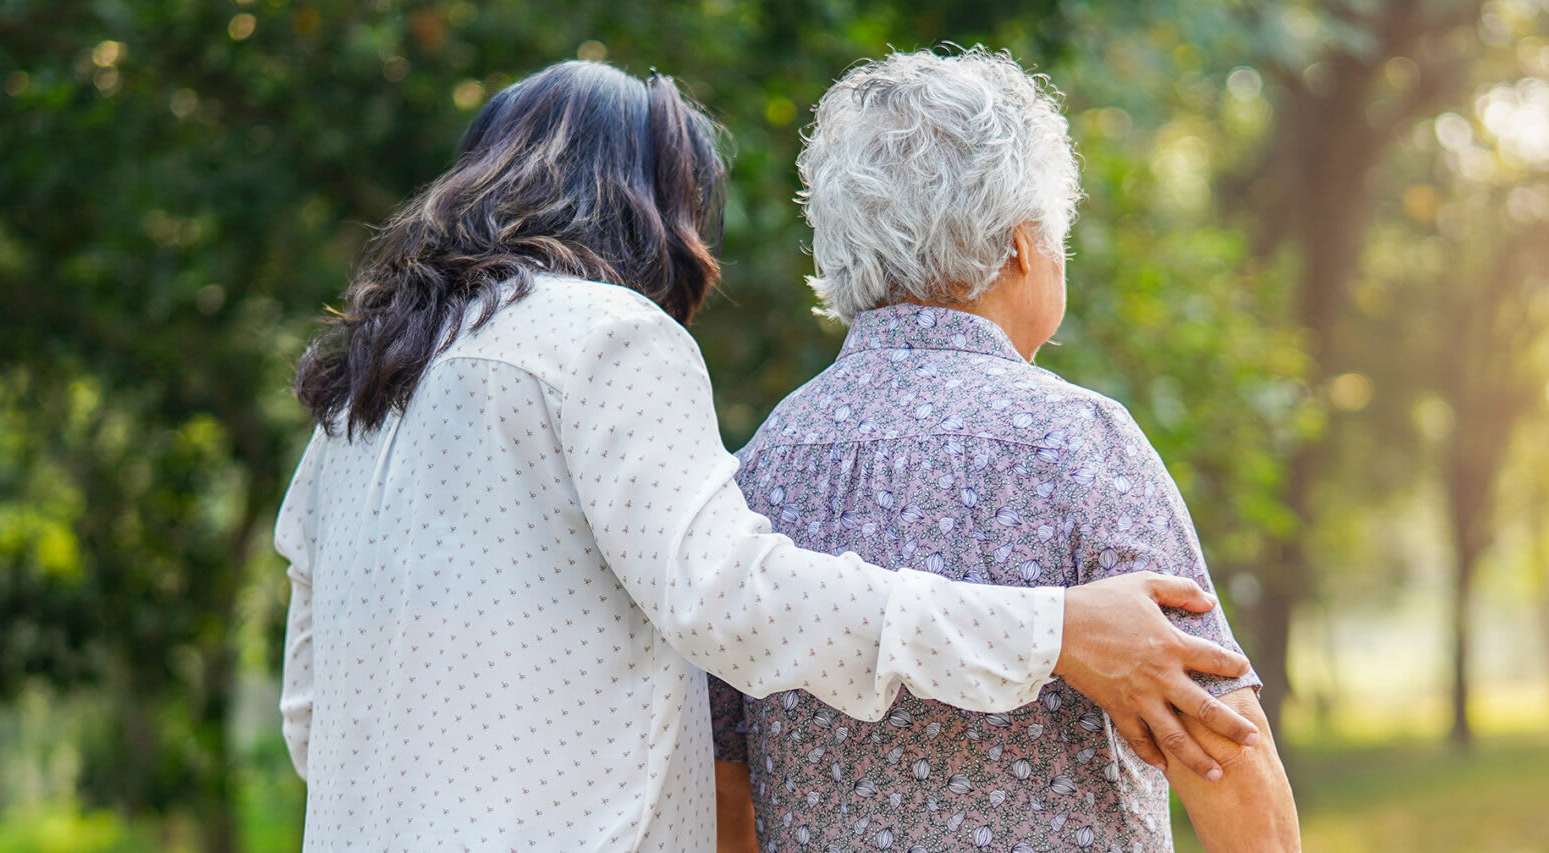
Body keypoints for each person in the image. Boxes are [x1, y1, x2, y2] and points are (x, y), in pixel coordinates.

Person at [272, 59, 1263, 850]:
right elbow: (734, 600)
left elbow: (315, 718)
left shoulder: (362, 394)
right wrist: (1048, 631)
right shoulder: (609, 339)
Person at [709, 50, 1302, 852]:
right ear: (1023, 246)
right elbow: (1221, 741)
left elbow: (726, 778)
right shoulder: (1076, 442)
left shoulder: (760, 467)